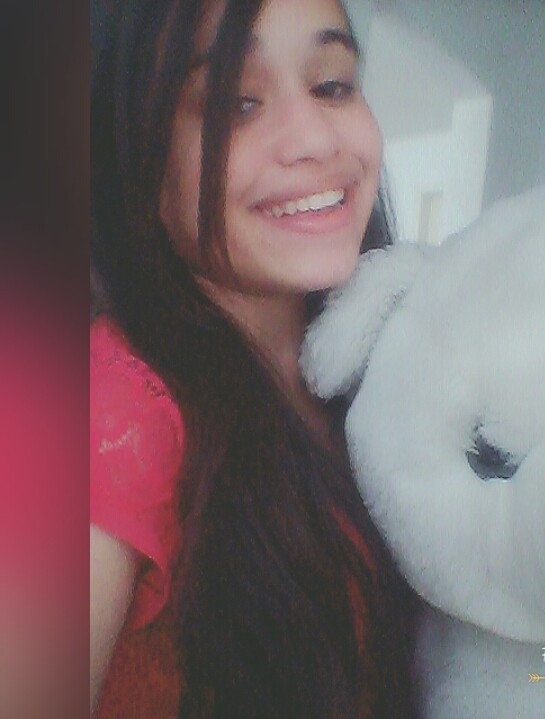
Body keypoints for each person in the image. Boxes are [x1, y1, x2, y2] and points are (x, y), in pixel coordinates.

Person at [90, 1, 419, 718]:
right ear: (140, 162)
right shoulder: (111, 406)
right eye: (234, 103)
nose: (313, 138)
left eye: (332, 85)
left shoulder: (396, 362)